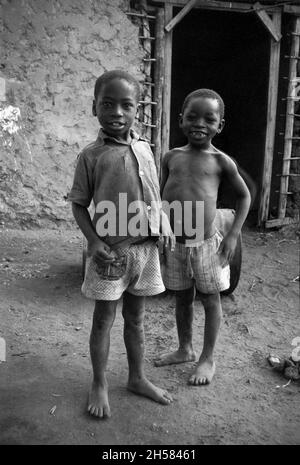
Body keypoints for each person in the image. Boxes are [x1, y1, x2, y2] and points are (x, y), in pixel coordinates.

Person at [69, 70, 175, 418]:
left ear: (137, 109)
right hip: (111, 253)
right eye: (108, 104)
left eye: (126, 105)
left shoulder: (146, 149)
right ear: (94, 107)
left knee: (137, 319)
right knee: (103, 319)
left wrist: (165, 227)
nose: (117, 112)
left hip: (144, 250)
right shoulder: (91, 155)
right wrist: (94, 239)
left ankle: (137, 377)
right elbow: (79, 204)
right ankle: (99, 382)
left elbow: (154, 195)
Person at [155, 88, 251, 386]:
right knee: (182, 298)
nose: (200, 123)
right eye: (192, 117)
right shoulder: (171, 157)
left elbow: (245, 196)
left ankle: (207, 358)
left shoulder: (221, 161)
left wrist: (232, 235)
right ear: (181, 120)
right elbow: (159, 197)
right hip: (176, 243)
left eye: (209, 119)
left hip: (207, 243)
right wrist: (159, 230)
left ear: (219, 126)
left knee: (210, 299)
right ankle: (185, 348)